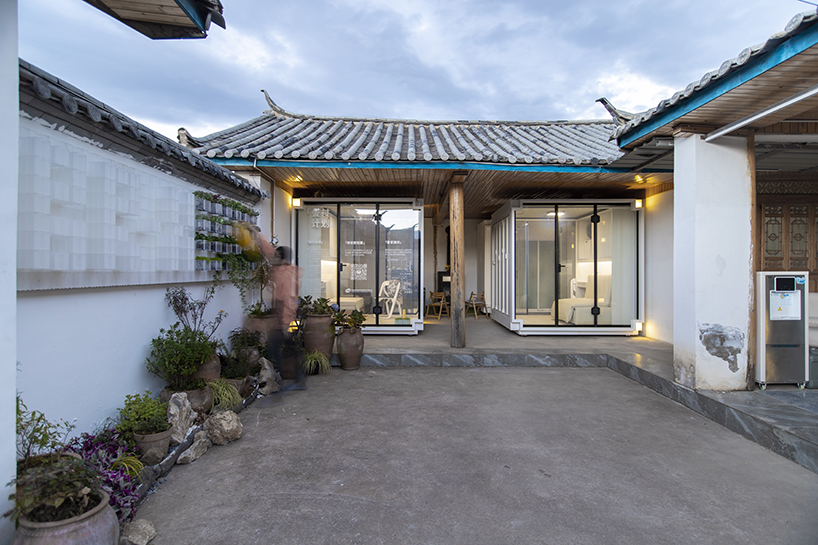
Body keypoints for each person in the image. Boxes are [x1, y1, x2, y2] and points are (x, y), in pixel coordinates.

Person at [255, 236, 305, 391]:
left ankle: (286, 381)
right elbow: (270, 252)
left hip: (288, 319)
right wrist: (256, 234)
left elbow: (290, 300)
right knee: (291, 347)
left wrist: (285, 323)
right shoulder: (280, 268)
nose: (272, 259)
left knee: (277, 347)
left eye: (276, 257)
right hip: (285, 319)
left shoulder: (288, 275)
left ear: (282, 260)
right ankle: (298, 379)